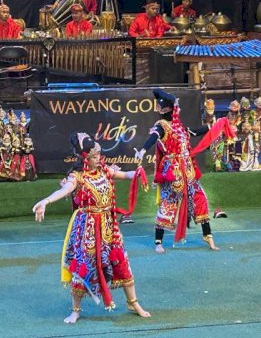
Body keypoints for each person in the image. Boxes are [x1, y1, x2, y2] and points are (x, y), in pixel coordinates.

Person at [32, 132, 150, 324]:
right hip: (87, 229)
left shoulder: (105, 170)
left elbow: (126, 175)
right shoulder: (77, 177)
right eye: (94, 156)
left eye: (99, 156)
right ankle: (76, 310)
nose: (98, 159)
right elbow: (63, 191)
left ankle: (133, 302)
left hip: (109, 225)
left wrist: (137, 173)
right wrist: (45, 201)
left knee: (121, 260)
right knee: (83, 266)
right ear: (85, 157)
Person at [134, 89, 229, 253]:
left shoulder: (179, 128)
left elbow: (194, 131)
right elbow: (154, 137)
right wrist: (142, 150)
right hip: (173, 172)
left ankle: (208, 236)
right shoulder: (161, 126)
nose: (178, 109)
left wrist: (215, 126)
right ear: (168, 109)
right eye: (175, 106)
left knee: (199, 198)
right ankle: (158, 241)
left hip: (188, 171)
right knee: (168, 202)